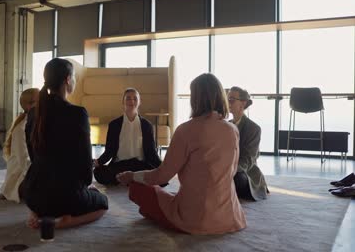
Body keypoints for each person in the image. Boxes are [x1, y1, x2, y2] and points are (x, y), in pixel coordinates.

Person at [117, 73, 246, 234]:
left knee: (138, 188)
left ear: (196, 99)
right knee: (166, 193)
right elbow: (232, 171)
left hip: (195, 219)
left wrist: (132, 176)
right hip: (230, 216)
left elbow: (162, 176)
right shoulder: (232, 129)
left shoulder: (186, 130)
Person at [22, 58, 108, 240]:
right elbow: (85, 163)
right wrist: (87, 185)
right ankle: (61, 222)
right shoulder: (77, 113)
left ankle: (38, 213)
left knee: (49, 196)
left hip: (32, 192)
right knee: (102, 203)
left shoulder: (33, 113)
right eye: (74, 77)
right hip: (64, 196)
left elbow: (33, 154)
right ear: (68, 79)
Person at [93, 88, 162, 185]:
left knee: (161, 178)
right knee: (98, 172)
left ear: (139, 102)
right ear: (123, 101)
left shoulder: (147, 125)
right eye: (128, 98)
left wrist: (162, 168)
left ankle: (127, 179)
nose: (132, 101)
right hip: (120, 165)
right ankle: (133, 179)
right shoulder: (114, 125)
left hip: (140, 166)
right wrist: (99, 162)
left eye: (135, 98)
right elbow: (109, 151)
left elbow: (152, 153)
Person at [0, 88, 39, 202]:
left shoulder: (40, 124)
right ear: (30, 106)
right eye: (41, 101)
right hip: (21, 180)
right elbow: (25, 163)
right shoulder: (21, 129)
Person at [228, 86, 268, 201]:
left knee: (236, 179)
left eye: (231, 100)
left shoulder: (253, 129)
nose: (227, 103)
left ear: (243, 104)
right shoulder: (225, 126)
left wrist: (228, 170)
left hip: (245, 173)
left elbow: (248, 160)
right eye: (227, 100)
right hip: (227, 169)